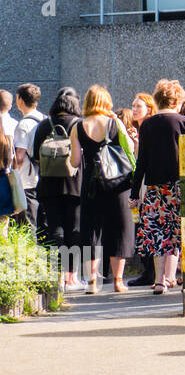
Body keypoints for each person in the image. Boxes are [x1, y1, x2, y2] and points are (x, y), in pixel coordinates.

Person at [130, 80, 185, 294]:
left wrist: (134, 193)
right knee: (182, 232)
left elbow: (141, 162)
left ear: (156, 100)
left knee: (157, 233)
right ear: (177, 101)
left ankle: (159, 281)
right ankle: (178, 277)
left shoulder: (148, 125)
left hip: (155, 189)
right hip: (181, 187)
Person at [70, 85, 135, 293]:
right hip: (117, 183)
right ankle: (117, 281)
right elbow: (130, 149)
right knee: (119, 229)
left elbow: (75, 161)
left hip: (92, 184)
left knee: (91, 230)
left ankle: (91, 283)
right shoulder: (114, 122)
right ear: (106, 102)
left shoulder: (78, 126)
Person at [32, 87, 84, 290]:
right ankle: (72, 277)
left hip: (48, 186)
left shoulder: (44, 124)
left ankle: (57, 276)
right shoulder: (79, 124)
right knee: (74, 230)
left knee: (54, 229)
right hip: (75, 186)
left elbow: (36, 155)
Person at [123, 92, 158, 285]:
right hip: (143, 182)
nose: (134, 109)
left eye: (139, 106)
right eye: (133, 106)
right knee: (143, 224)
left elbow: (142, 162)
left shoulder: (148, 127)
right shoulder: (140, 129)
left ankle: (150, 271)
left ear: (149, 109)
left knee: (146, 223)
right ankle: (148, 270)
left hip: (146, 183)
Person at [12, 84, 45, 228]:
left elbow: (19, 157)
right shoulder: (45, 119)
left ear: (20, 100)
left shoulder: (23, 125)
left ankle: (30, 250)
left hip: (27, 179)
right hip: (44, 175)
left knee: (27, 224)